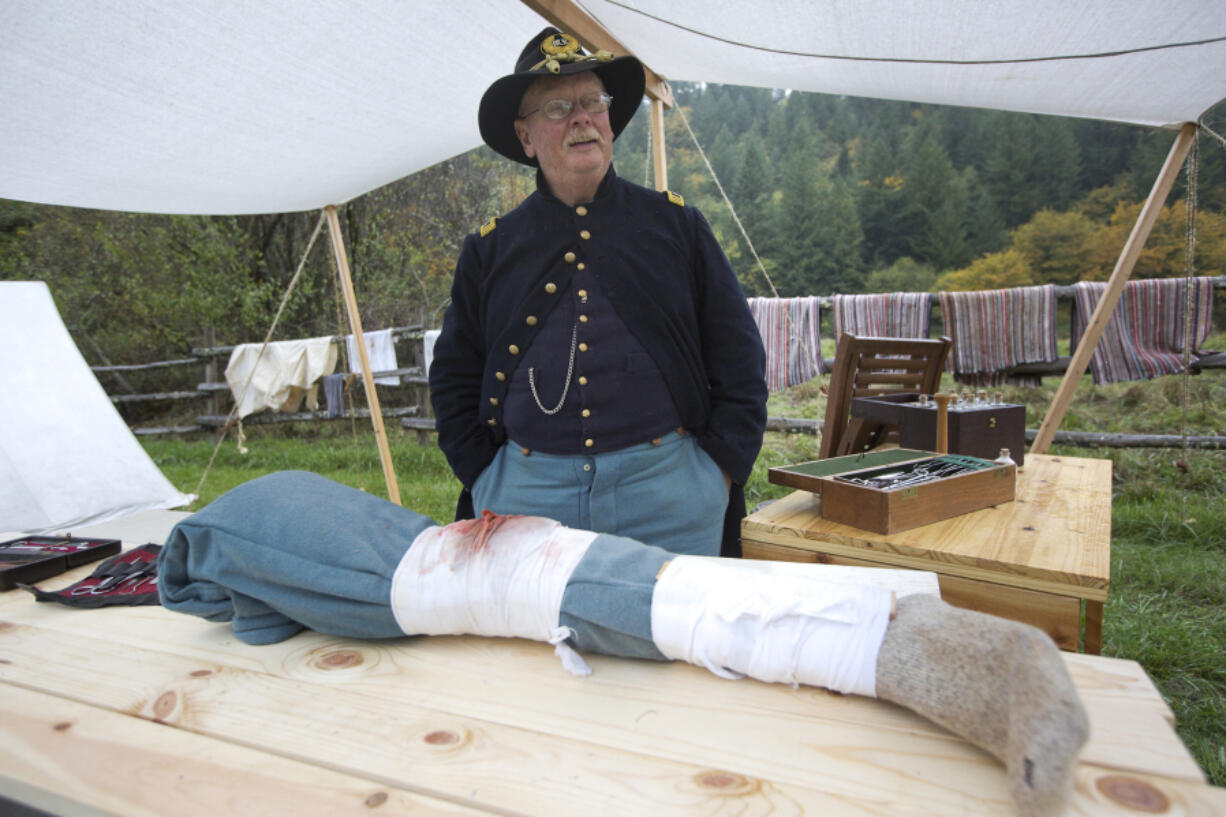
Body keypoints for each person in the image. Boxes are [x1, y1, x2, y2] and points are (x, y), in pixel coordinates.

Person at [159, 471, 1089, 817]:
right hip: (445, 558)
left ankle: (916, 643)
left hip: (435, 566)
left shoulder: (237, 526)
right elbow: (253, 608)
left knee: (659, 596)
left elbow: (252, 612)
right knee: (660, 595)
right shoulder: (254, 529)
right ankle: (916, 644)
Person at [429, 28, 768, 558]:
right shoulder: (490, 250)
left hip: (671, 497)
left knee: (675, 640)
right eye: (558, 107)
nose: (581, 118)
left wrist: (718, 473)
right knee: (529, 643)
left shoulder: (677, 226)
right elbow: (453, 377)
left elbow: (739, 357)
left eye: (593, 102)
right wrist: (485, 475)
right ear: (525, 136)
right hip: (524, 499)